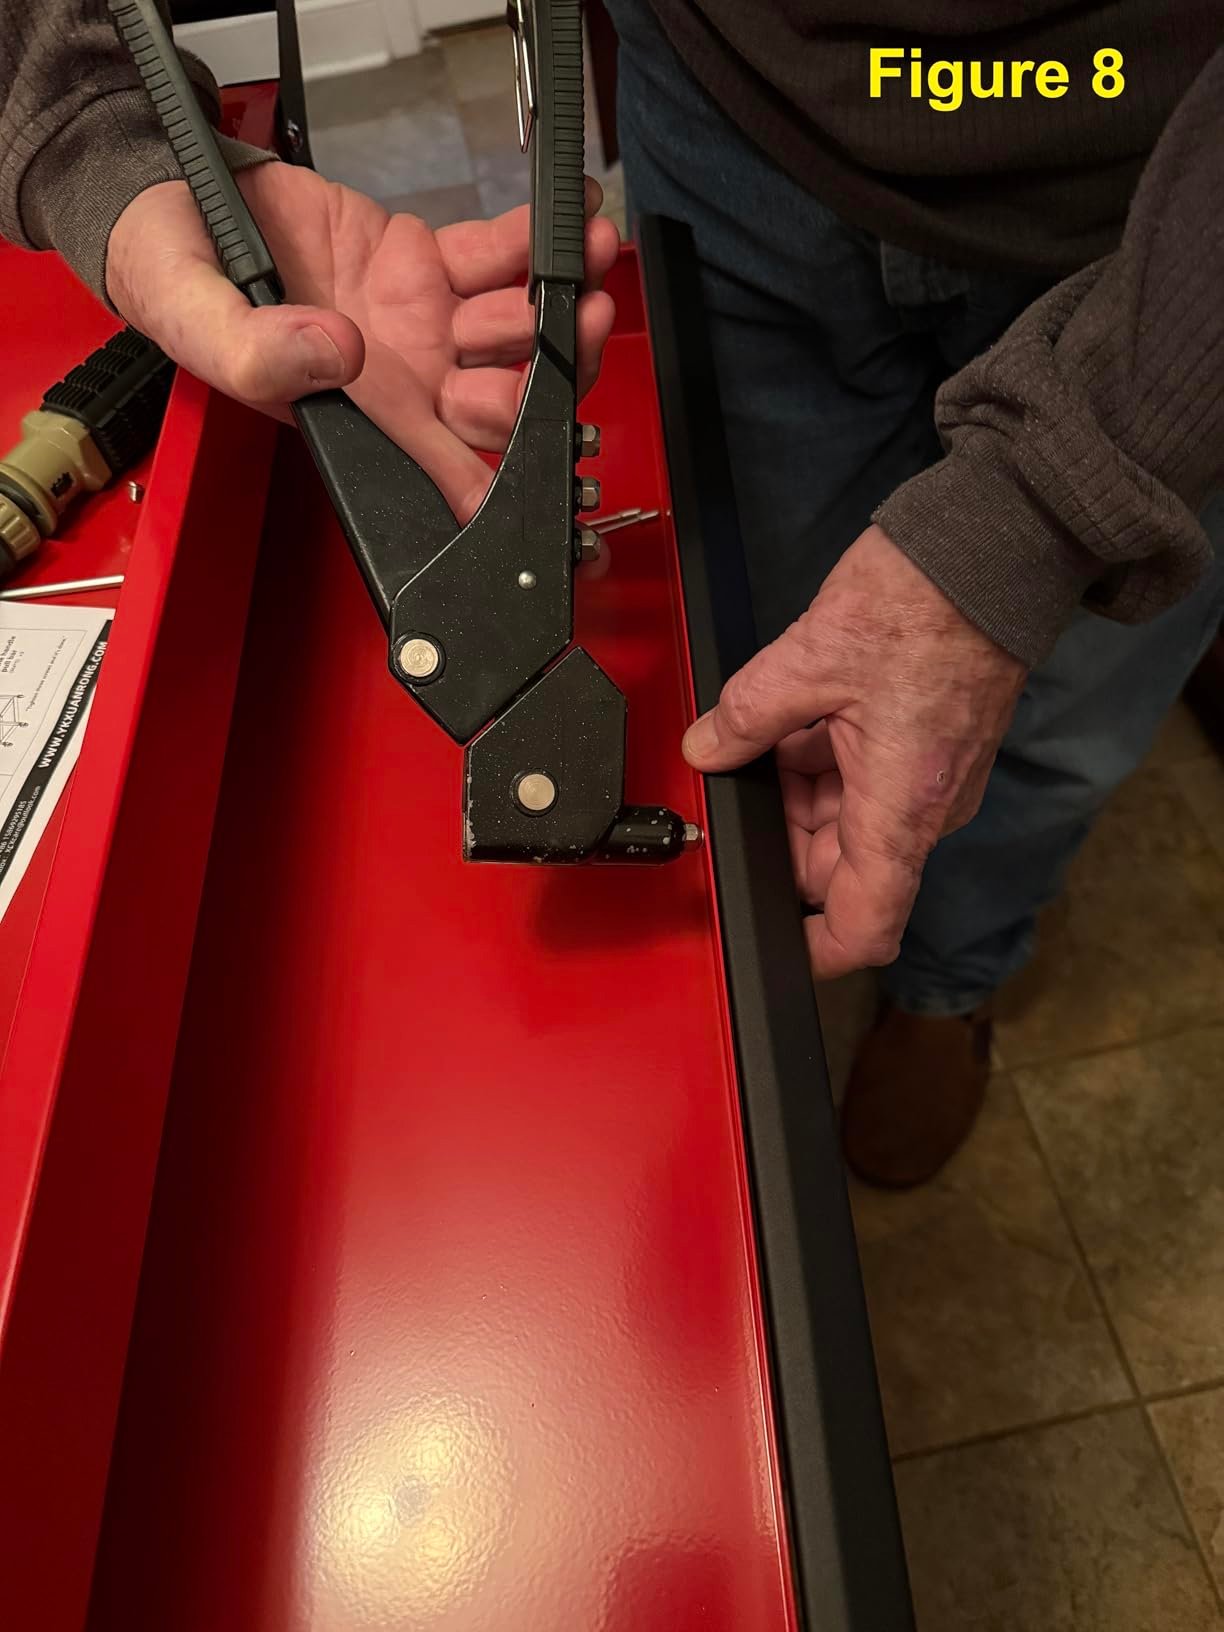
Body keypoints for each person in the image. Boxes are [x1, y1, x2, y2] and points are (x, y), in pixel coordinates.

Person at [3, 4, 1222, 1186]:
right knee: (785, 658)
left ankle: (949, 987)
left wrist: (1043, 513)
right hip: (748, 122)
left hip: (1163, 201)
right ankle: (785, 938)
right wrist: (92, 119)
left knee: (1067, 717)